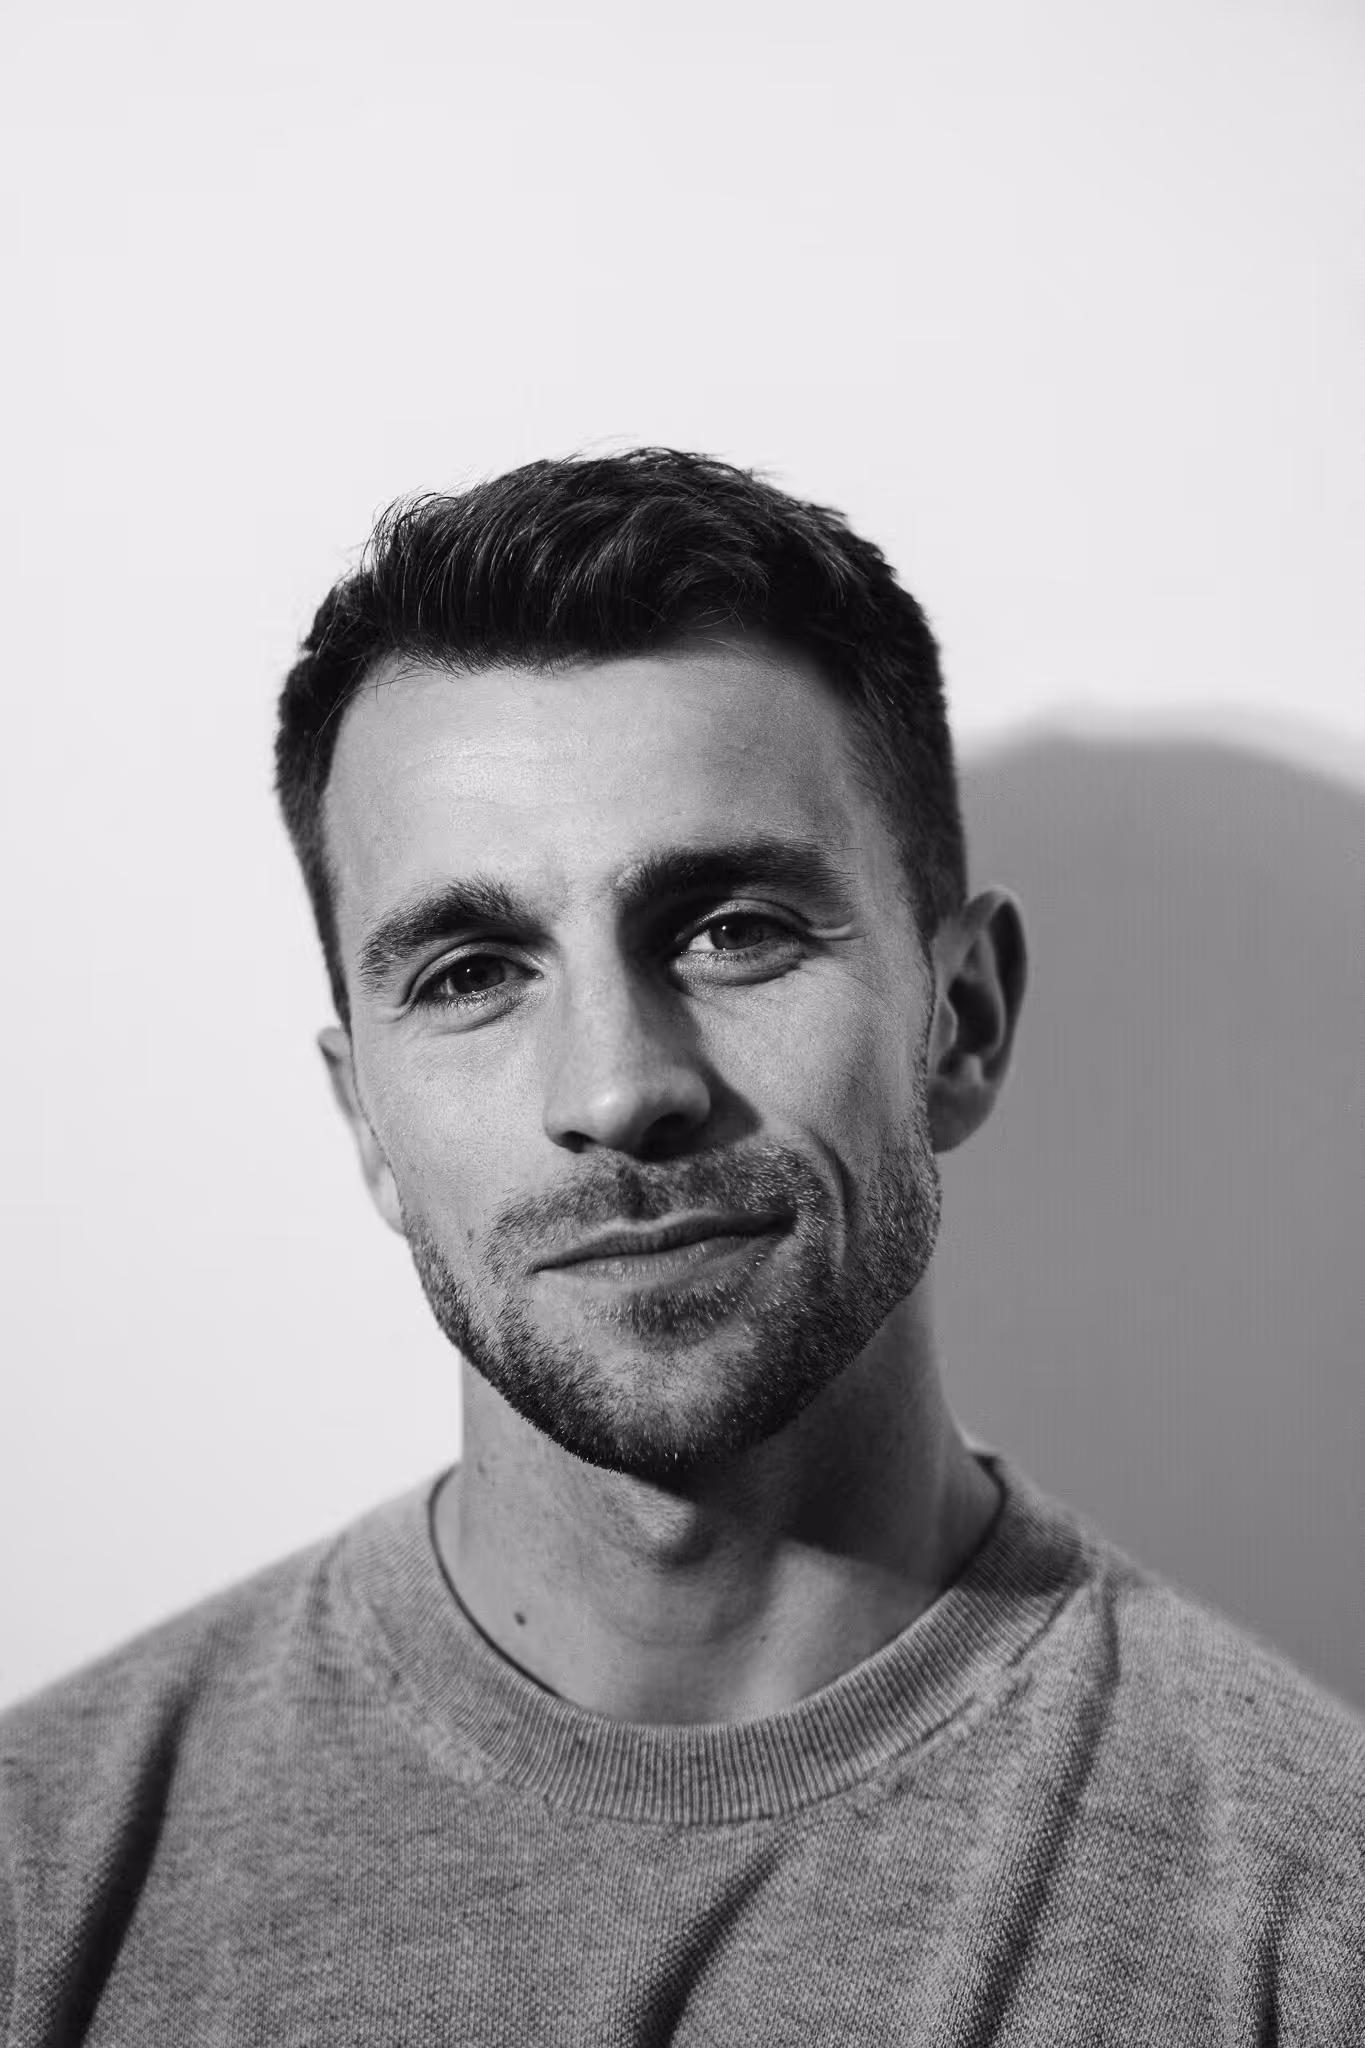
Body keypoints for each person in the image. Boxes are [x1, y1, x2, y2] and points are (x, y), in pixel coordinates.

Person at [2, 451, 1361, 2046]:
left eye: (735, 931)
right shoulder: (48, 1884)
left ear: (962, 1021)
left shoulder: (1305, 1927)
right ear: (366, 1116)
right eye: (470, 971)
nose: (618, 1088)